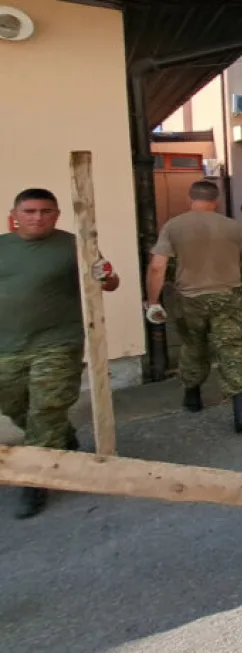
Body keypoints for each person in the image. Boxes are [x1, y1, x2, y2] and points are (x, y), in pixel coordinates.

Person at [1, 188, 121, 518]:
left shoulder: (75, 246)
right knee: (13, 404)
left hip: (57, 343)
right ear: (15, 214)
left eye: (45, 211)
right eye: (30, 211)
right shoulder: (2, 247)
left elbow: (111, 282)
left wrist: (105, 274)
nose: (37, 217)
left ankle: (35, 480)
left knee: (47, 409)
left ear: (56, 214)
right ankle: (62, 437)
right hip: (7, 346)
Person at [144, 180, 242, 433]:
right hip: (227, 297)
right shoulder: (233, 227)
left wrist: (153, 302)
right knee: (231, 349)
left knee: (193, 346)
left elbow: (157, 266)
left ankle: (193, 396)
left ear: (190, 199)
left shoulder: (173, 226)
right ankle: (241, 413)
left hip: (189, 299)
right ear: (216, 200)